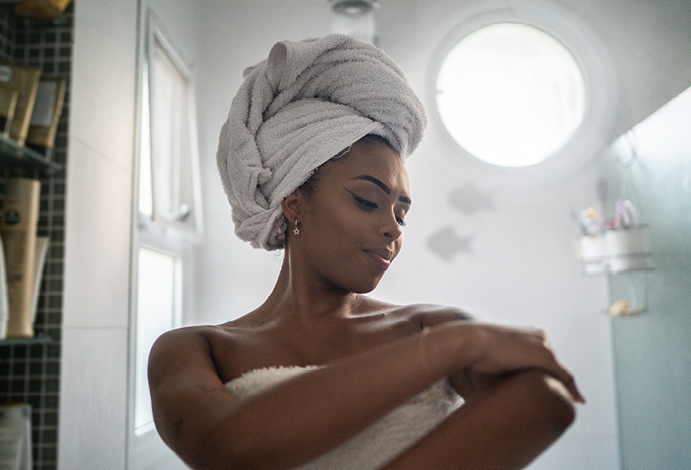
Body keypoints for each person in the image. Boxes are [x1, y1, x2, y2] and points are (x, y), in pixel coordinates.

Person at [148, 34, 584, 470]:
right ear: (294, 202)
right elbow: (224, 449)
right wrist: (458, 345)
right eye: (366, 200)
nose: (393, 227)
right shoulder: (193, 349)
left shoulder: (427, 325)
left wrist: (454, 339)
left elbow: (547, 401)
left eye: (402, 213)